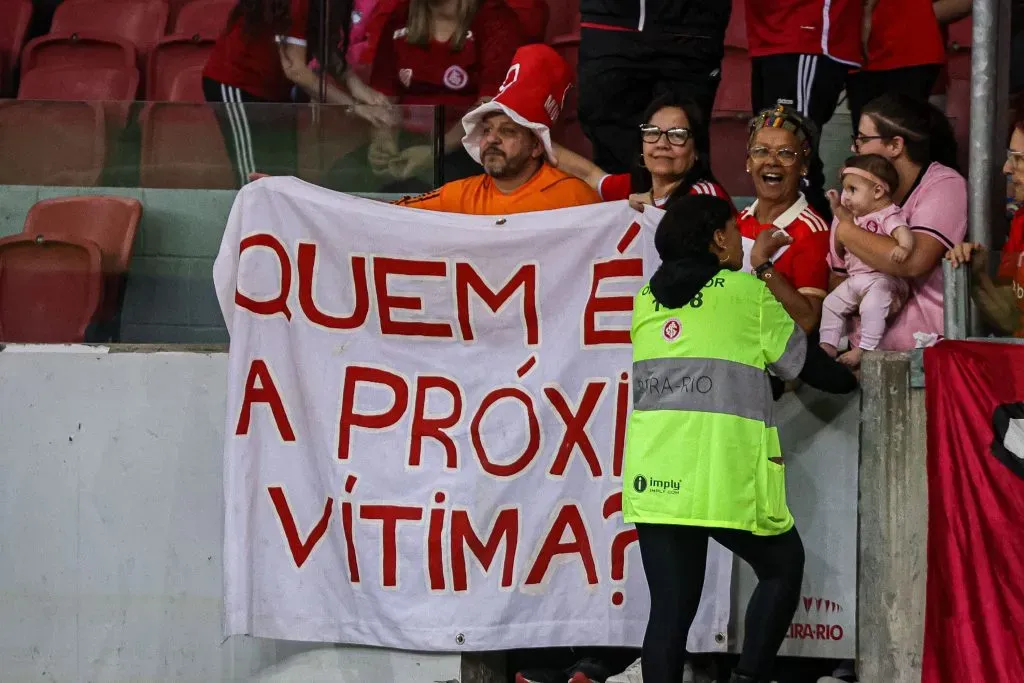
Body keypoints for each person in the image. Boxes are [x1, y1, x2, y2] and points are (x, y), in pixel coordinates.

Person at [623, 194, 858, 683]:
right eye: (733, 229)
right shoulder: (745, 294)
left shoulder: (644, 300)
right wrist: (854, 379)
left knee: (669, 612)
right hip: (722, 473)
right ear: (716, 239)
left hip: (656, 476)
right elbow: (808, 366)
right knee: (782, 566)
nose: (738, 238)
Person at [830, 93, 967, 350]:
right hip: (867, 355)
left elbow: (914, 260)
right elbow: (838, 276)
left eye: (862, 139)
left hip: (925, 353)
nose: (854, 148)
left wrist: (847, 230)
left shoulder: (943, 184)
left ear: (895, 145)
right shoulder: (854, 195)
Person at [203, 0, 391, 186]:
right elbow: (295, 70)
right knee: (254, 180)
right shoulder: (297, 3)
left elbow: (325, 48)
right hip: (238, 83)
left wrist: (357, 86)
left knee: (284, 177)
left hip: (275, 89)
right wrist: (353, 107)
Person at [394, 44, 600, 214]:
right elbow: (388, 217)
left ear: (536, 146)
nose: (492, 139)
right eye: (486, 130)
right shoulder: (459, 195)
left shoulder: (574, 198)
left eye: (508, 130)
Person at [357, 0, 524, 188]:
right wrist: (384, 143)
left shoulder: (495, 17)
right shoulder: (400, 16)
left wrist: (435, 151)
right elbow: (383, 97)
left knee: (412, 187)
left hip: (468, 146)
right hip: (406, 141)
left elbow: (490, 104)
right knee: (344, 176)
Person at [576, 0, 731, 173]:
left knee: (682, 141)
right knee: (610, 144)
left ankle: (685, 198)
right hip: (608, 24)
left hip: (691, 28)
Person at [745, 0, 863, 221]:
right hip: (768, 33)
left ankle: (807, 243)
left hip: (804, 30)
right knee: (770, 148)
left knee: (794, 160)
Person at [737, 105, 832, 334]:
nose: (772, 161)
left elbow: (808, 320)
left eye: (786, 153)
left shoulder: (813, 231)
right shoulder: (737, 221)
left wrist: (762, 265)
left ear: (804, 167)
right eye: (761, 151)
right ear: (748, 162)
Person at [552, 92, 732, 212]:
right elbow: (588, 174)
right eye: (652, 133)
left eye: (677, 135)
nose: (662, 143)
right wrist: (535, 138)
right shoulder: (634, 186)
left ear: (697, 151)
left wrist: (652, 215)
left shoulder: (706, 196)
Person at [819, 155, 915, 367]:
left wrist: (904, 247)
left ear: (878, 191)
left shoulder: (887, 214)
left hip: (883, 279)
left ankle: (864, 349)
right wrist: (835, 203)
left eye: (852, 190)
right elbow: (842, 215)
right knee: (831, 303)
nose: (846, 197)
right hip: (858, 279)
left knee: (872, 306)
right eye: (845, 190)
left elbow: (903, 231)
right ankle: (828, 345)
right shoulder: (856, 217)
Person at [945, 117, 1024, 338]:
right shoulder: (1021, 220)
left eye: (1017, 158)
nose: (1007, 168)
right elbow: (1014, 318)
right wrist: (977, 276)